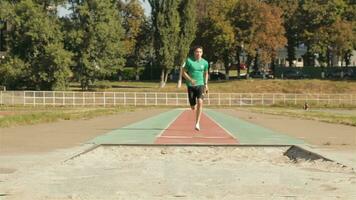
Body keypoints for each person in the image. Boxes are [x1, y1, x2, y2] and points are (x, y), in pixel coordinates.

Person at [182, 45, 209, 131]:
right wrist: (190, 80)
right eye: (197, 52)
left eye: (200, 52)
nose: (198, 53)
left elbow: (206, 73)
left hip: (200, 84)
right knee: (193, 106)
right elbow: (183, 72)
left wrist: (206, 84)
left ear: (202, 53)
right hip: (190, 86)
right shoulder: (189, 61)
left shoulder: (205, 63)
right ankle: (193, 105)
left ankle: (197, 123)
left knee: (200, 102)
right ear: (194, 52)